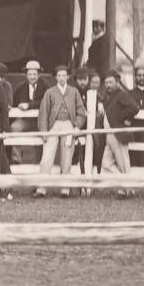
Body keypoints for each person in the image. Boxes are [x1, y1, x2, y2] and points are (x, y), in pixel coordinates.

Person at [37, 64, 87, 192]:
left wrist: (77, 126)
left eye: (64, 75)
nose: (61, 78)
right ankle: (41, 188)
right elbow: (43, 112)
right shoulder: (50, 92)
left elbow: (81, 112)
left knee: (66, 158)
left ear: (68, 76)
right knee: (46, 158)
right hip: (54, 126)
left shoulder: (74, 92)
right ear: (55, 77)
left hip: (69, 125)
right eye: (59, 76)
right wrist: (44, 131)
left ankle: (65, 189)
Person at [100, 70, 140, 176]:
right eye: (106, 83)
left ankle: (127, 184)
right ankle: (123, 183)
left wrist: (121, 117)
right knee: (106, 164)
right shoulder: (108, 97)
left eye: (111, 82)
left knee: (123, 164)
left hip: (118, 133)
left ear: (117, 82)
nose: (108, 85)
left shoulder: (122, 94)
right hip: (109, 133)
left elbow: (134, 108)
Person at [11, 60, 46, 165]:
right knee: (14, 127)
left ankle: (39, 161)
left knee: (43, 132)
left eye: (34, 74)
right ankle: (16, 159)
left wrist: (29, 105)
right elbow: (14, 102)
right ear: (26, 75)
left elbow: (45, 101)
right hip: (26, 121)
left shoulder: (45, 86)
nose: (32, 77)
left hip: (41, 121)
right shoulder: (21, 88)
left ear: (39, 75)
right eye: (30, 74)